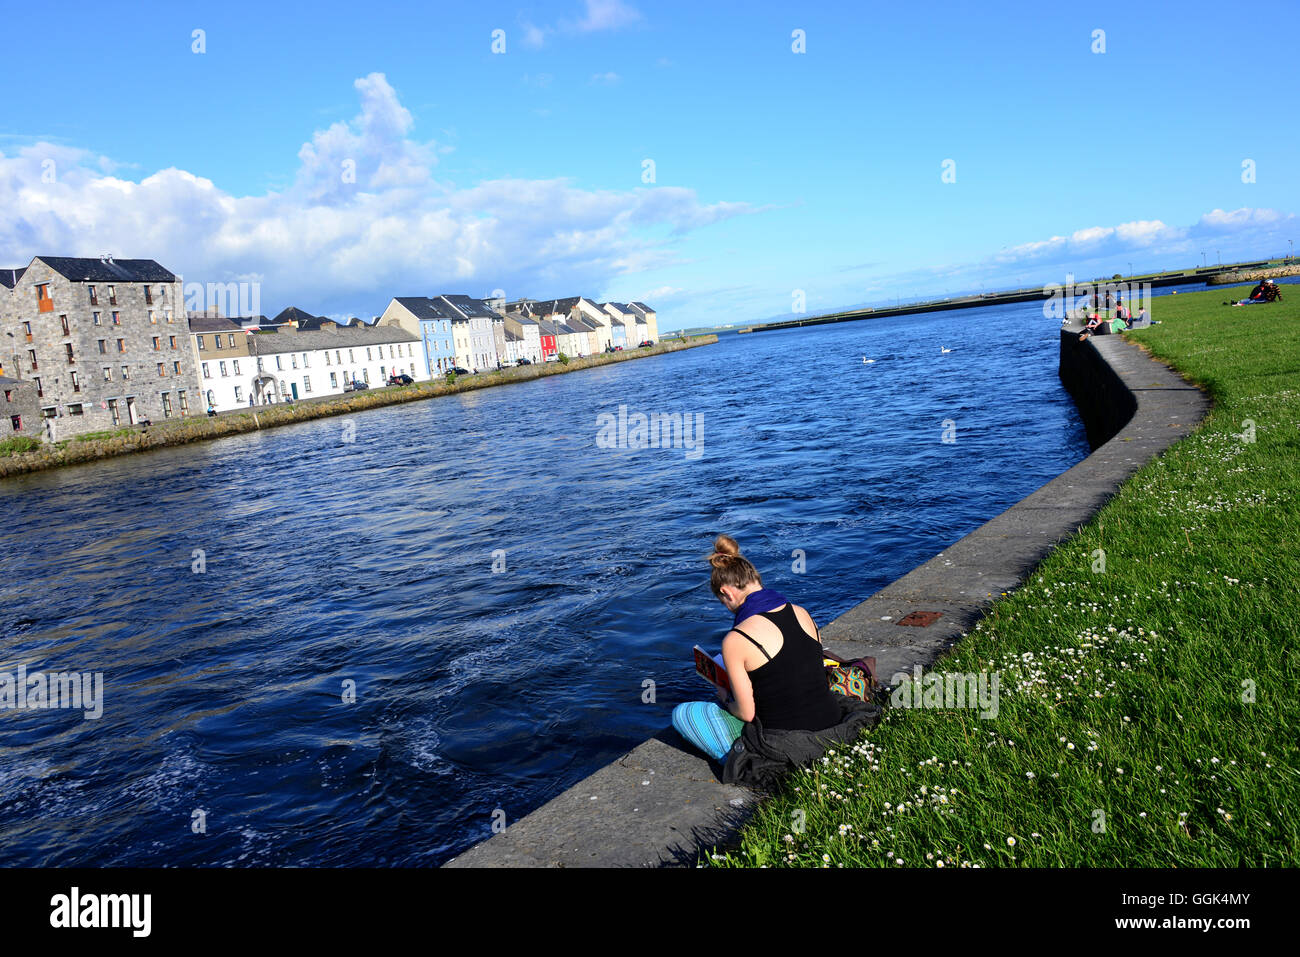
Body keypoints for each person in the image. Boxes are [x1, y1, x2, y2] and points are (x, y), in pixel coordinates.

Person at [671, 536, 849, 765]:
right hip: (832, 720)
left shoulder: (736, 639)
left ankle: (734, 755)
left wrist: (724, 696)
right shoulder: (801, 611)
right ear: (756, 580)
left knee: (684, 714)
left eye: (723, 602)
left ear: (727, 592)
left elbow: (746, 714)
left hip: (786, 740)